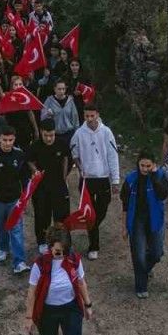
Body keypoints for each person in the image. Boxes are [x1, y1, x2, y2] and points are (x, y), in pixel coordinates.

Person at [25, 225, 93, 335]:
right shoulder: (40, 264)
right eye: (57, 252)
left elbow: (81, 283)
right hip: (48, 311)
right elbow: (32, 292)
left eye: (65, 251)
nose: (61, 254)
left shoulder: (74, 260)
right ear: (50, 247)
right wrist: (29, 317)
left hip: (71, 309)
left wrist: (88, 305)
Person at [70, 105, 120, 259]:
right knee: (90, 213)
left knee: (101, 210)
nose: (90, 119)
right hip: (87, 180)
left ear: (97, 114)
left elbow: (113, 156)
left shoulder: (106, 132)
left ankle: (92, 227)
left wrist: (115, 180)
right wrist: (80, 167)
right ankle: (94, 246)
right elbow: (74, 153)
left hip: (103, 178)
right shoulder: (78, 133)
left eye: (92, 116)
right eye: (87, 116)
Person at [0, 125, 32, 274]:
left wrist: (25, 193)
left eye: (10, 140)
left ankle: (19, 262)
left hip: (15, 199)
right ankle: (3, 248)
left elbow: (24, 175)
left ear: (14, 139)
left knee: (16, 229)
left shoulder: (19, 155)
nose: (8, 143)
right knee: (1, 226)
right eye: (5, 140)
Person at [120, 151, 168, 298]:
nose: (144, 169)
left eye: (148, 165)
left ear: (153, 165)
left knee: (156, 253)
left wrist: (154, 176)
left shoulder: (160, 176)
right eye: (142, 165)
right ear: (138, 164)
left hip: (155, 220)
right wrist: (124, 227)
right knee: (139, 255)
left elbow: (163, 194)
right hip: (137, 220)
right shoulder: (131, 179)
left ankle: (145, 270)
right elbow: (125, 204)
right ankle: (141, 286)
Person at [28, 119, 72, 253]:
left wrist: (64, 176)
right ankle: (42, 241)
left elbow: (66, 158)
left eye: (51, 135)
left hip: (58, 185)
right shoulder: (35, 145)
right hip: (41, 187)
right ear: (41, 132)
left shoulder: (62, 143)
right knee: (42, 216)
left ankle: (63, 242)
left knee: (62, 217)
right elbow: (29, 160)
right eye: (46, 135)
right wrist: (34, 170)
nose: (48, 138)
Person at [5, 75, 40, 150]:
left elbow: (30, 114)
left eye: (20, 84)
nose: (18, 86)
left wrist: (36, 130)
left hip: (25, 131)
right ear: (12, 86)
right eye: (16, 85)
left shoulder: (26, 97)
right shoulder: (8, 97)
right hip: (12, 131)